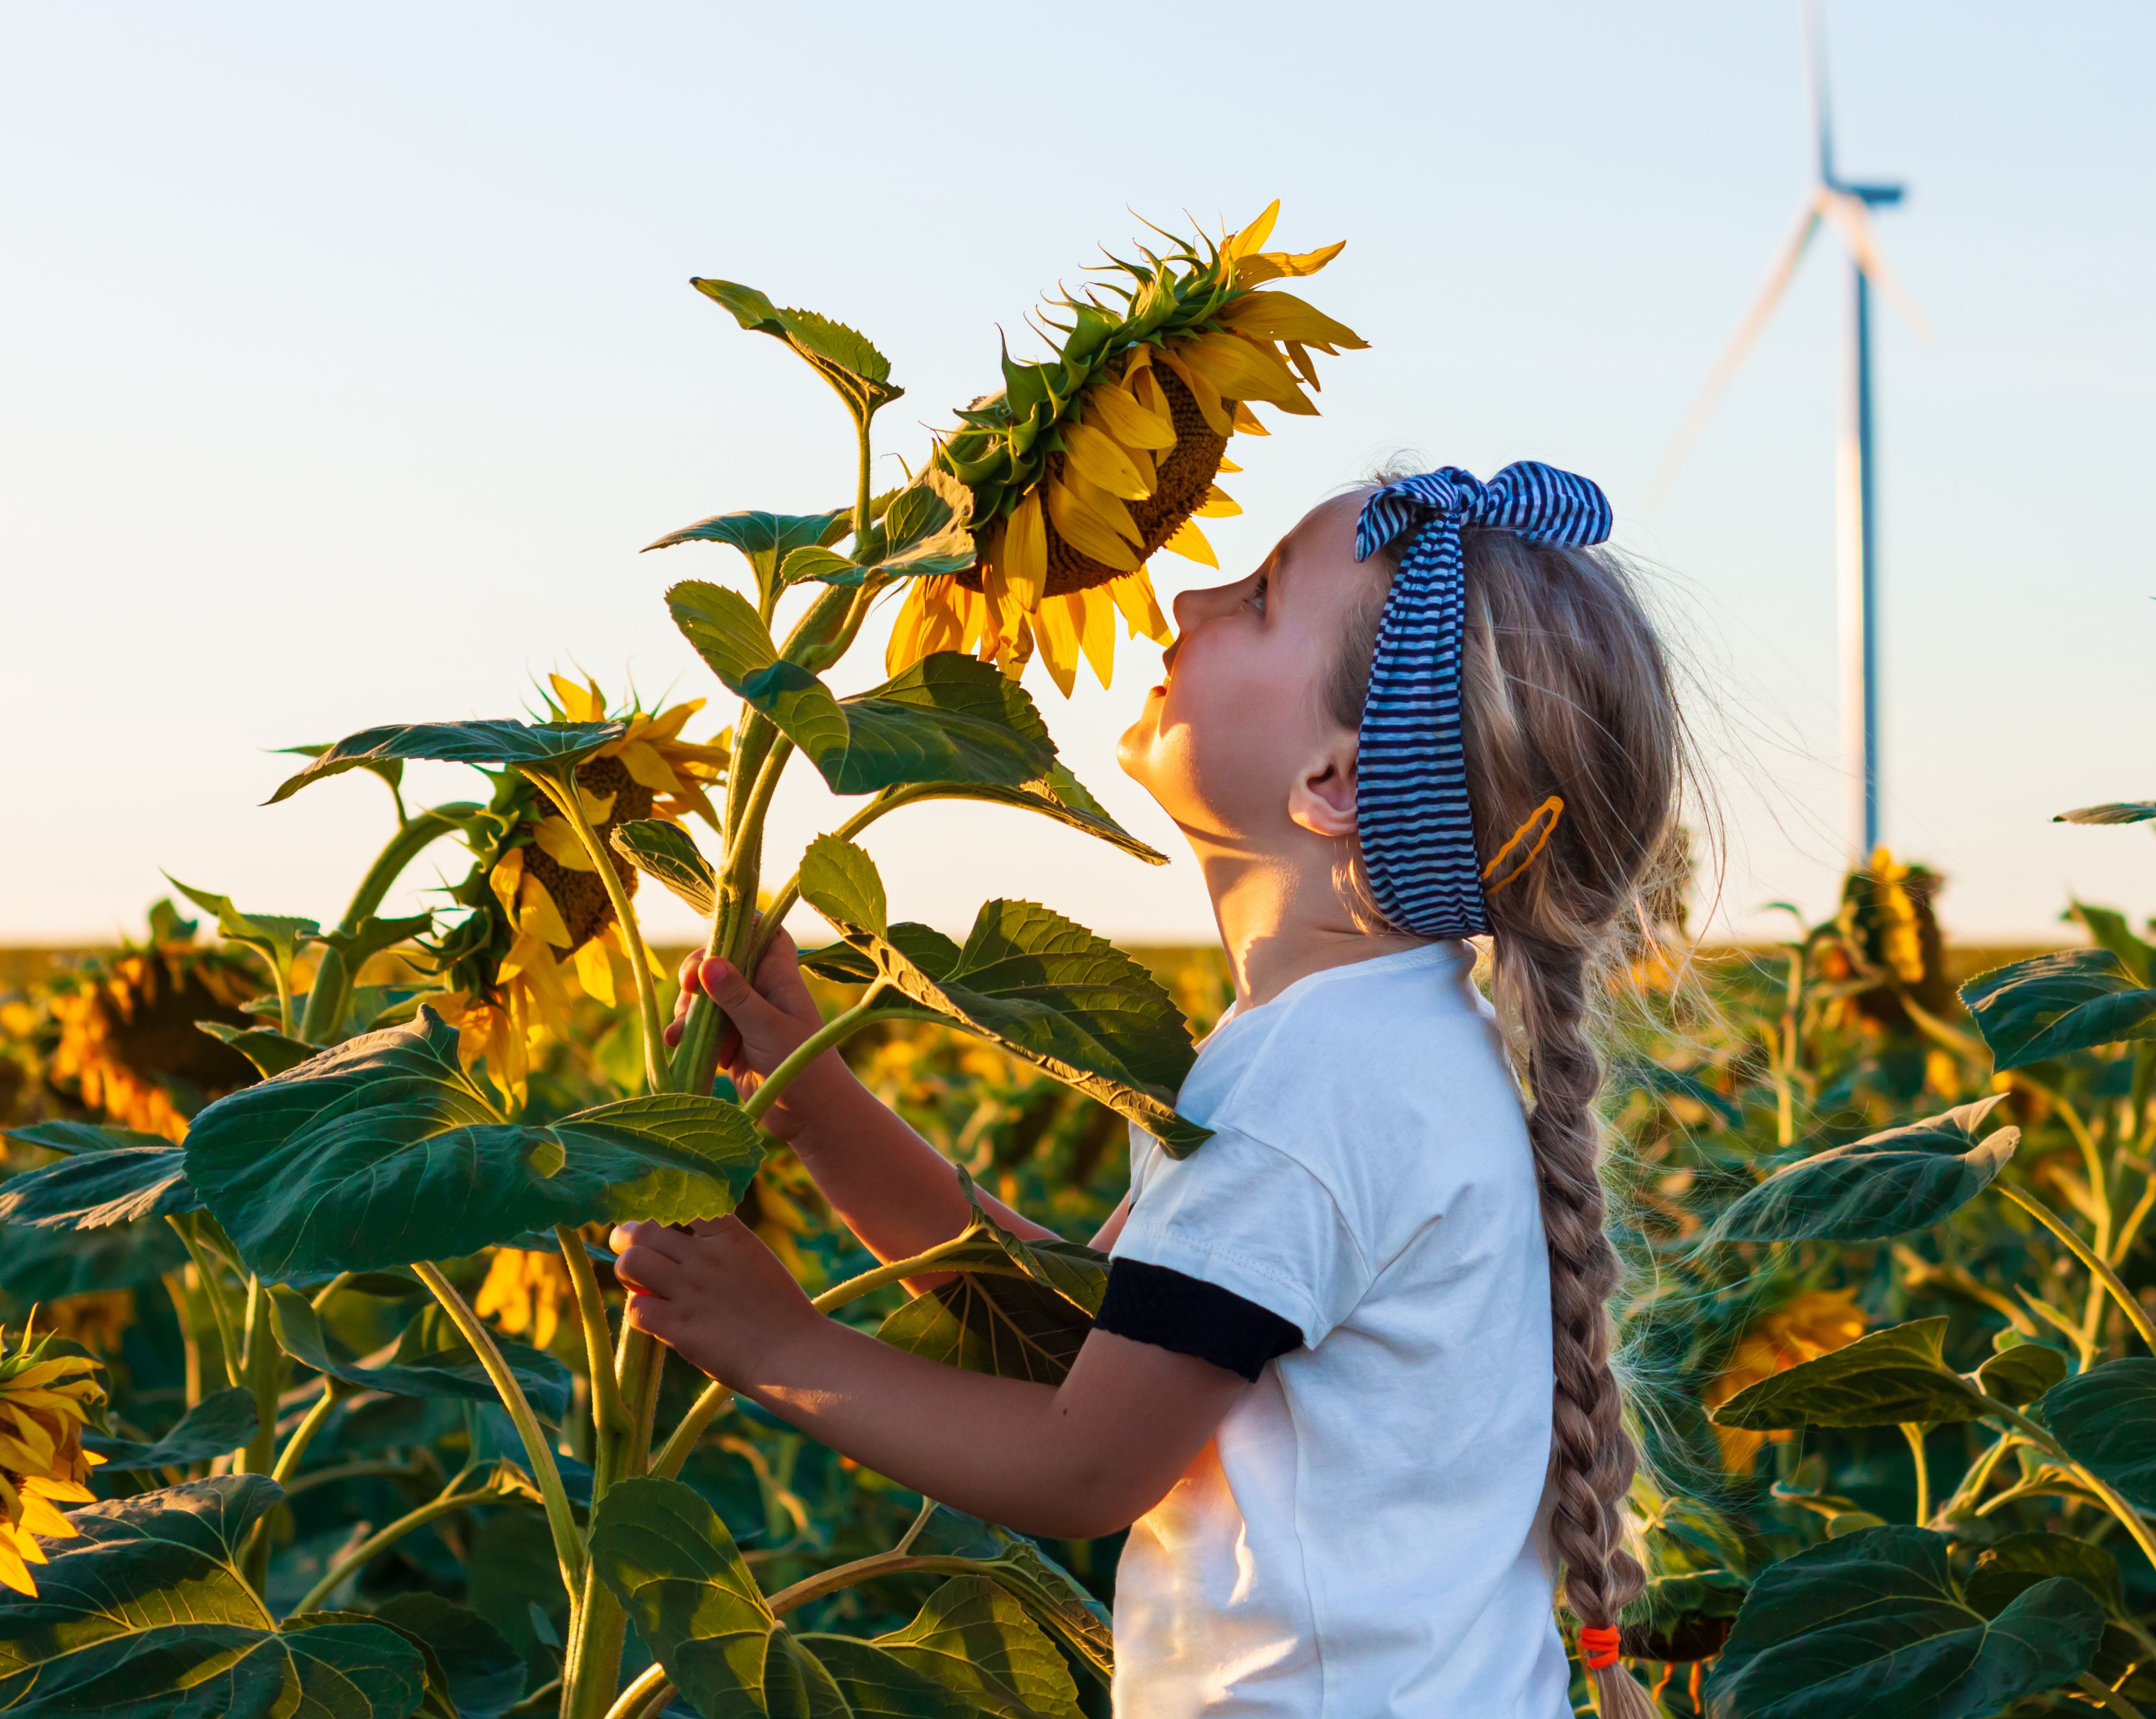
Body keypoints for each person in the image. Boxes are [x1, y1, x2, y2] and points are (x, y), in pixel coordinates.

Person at [616, 462, 1692, 1718]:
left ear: (1336, 784)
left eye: (1258, 597)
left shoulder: (1315, 1084)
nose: (1187, 601)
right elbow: (1094, 1336)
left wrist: (774, 1343)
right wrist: (821, 1106)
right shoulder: (1368, 1042)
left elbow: (1086, 1463)